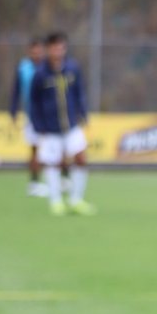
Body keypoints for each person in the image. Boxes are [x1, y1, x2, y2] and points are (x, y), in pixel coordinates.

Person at [28, 32, 95, 216]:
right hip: (50, 129)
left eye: (61, 47)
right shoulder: (40, 74)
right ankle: (56, 202)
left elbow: (79, 92)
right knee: (53, 164)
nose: (58, 51)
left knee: (81, 158)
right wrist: (37, 124)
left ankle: (76, 200)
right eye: (55, 48)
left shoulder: (72, 68)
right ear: (48, 49)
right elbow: (33, 102)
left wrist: (83, 112)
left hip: (71, 126)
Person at [8, 37, 47, 197]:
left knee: (53, 151)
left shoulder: (48, 67)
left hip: (49, 117)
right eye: (33, 51)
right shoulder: (23, 68)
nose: (36, 53)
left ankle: (59, 181)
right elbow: (16, 90)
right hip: (32, 116)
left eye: (39, 50)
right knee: (34, 150)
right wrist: (13, 111)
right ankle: (34, 183)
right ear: (29, 52)